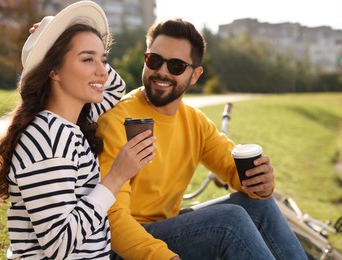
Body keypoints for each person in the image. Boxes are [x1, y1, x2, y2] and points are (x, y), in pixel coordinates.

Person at [97, 18, 307, 259]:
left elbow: (234, 168)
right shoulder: (118, 121)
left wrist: (262, 182)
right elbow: (110, 217)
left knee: (260, 204)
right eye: (154, 60)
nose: (162, 71)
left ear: (195, 75)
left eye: (176, 66)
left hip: (166, 231)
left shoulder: (195, 122)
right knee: (228, 222)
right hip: (122, 249)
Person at [0, 1, 155, 259]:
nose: (102, 71)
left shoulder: (71, 121)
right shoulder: (47, 137)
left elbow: (114, 88)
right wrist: (116, 177)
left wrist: (60, 30)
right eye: (87, 59)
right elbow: (59, 244)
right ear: (53, 70)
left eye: (103, 59)